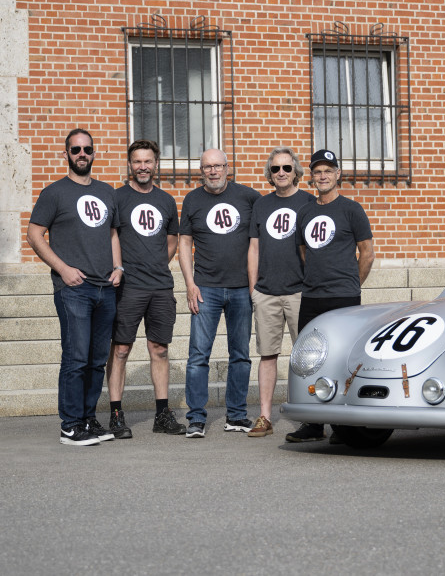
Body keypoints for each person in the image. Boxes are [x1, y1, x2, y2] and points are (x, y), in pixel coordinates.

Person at [27, 128, 123, 446]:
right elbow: (34, 234)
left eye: (87, 149)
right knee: (76, 357)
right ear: (66, 154)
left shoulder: (107, 192)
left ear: (94, 153)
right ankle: (70, 425)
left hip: (105, 288)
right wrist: (62, 269)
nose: (82, 154)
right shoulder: (55, 193)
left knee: (97, 360)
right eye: (76, 149)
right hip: (74, 289)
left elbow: (112, 235)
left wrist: (119, 267)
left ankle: (87, 418)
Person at [285, 149, 375, 443]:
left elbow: (367, 253)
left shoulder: (352, 209)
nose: (322, 176)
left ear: (338, 174)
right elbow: (303, 252)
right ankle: (313, 424)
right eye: (317, 171)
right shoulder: (306, 212)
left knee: (343, 360)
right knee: (310, 359)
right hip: (312, 297)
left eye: (328, 170)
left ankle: (343, 425)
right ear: (311, 177)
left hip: (344, 298)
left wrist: (352, 284)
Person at [178, 148, 261, 438]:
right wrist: (190, 283)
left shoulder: (249, 197)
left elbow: (260, 242)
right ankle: (196, 419)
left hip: (241, 289)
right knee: (198, 356)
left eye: (218, 166)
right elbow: (184, 243)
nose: (213, 171)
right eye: (207, 167)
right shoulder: (193, 199)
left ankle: (236, 415)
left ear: (228, 167)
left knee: (240, 355)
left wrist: (257, 285)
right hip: (206, 289)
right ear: (201, 171)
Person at [106, 139, 186, 438]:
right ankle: (116, 414)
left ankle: (162, 414)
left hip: (161, 287)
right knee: (121, 349)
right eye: (137, 161)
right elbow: (110, 236)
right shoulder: (116, 198)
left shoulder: (166, 200)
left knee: (159, 349)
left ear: (156, 164)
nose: (142, 166)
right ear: (130, 165)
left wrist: (154, 263)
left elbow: (172, 239)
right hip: (128, 288)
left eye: (148, 161)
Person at [245, 147, 314, 437]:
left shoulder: (310, 203)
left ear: (296, 171)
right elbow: (254, 247)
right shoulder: (261, 205)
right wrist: (253, 290)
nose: (281, 173)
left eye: (287, 168)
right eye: (276, 169)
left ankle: (312, 417)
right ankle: (264, 417)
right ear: (270, 174)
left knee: (308, 357)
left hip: (300, 292)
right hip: (267, 292)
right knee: (268, 355)